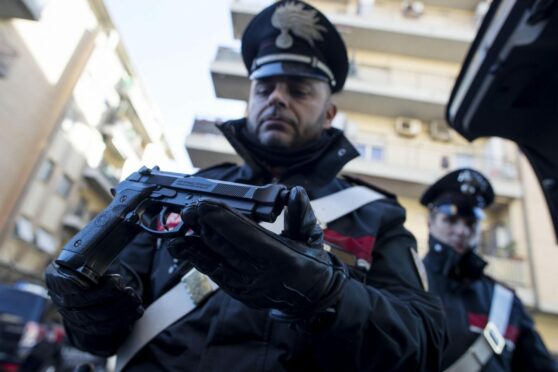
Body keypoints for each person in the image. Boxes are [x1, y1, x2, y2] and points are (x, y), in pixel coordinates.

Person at [45, 1, 447, 370]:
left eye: (298, 90)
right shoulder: (180, 191)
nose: (277, 99)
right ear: (249, 100)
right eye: (264, 88)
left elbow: (424, 346)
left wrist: (325, 295)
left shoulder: (375, 214)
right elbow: (101, 336)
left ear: (329, 113)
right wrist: (87, 302)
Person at [421, 168, 558, 371]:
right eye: (450, 220)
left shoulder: (505, 300)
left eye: (471, 223)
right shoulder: (407, 281)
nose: (462, 231)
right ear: (430, 223)